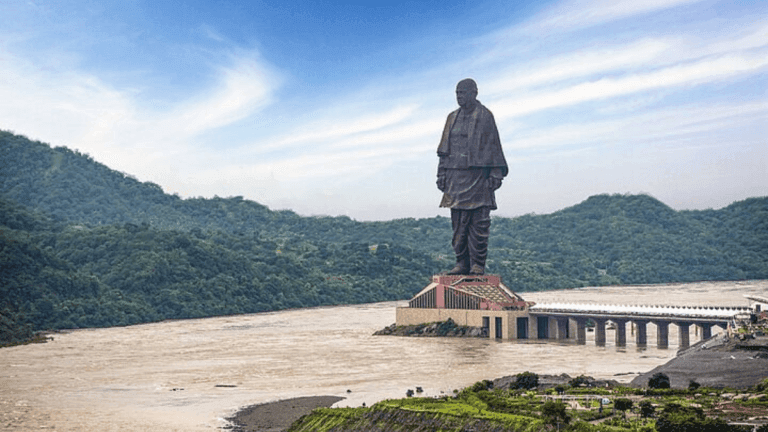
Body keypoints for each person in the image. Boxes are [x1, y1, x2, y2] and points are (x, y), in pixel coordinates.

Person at [436, 78, 507, 275]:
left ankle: (477, 263)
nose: (459, 97)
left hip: (478, 177)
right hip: (455, 177)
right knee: (458, 224)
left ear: (474, 93)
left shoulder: (485, 116)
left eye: (463, 93)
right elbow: (443, 150)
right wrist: (441, 173)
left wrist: (495, 173)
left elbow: (494, 146)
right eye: (457, 93)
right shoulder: (452, 117)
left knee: (479, 223)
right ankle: (462, 262)